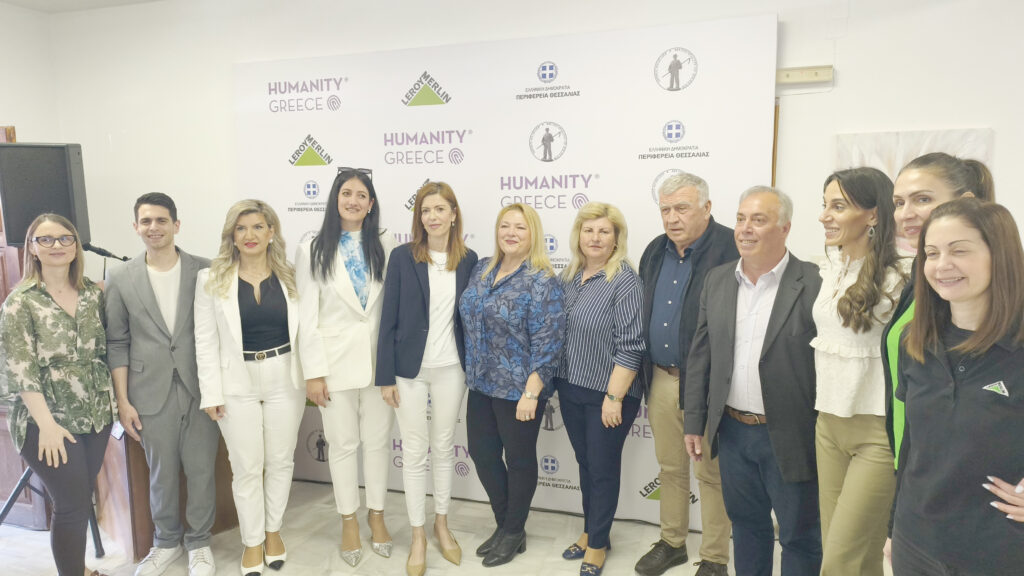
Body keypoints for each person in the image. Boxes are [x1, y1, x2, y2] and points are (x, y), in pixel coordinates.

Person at [684, 186, 823, 576]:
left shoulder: (815, 283)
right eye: (741, 218)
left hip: (790, 435)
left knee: (799, 535)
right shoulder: (717, 280)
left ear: (785, 228)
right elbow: (701, 356)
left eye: (758, 220)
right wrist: (694, 421)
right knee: (746, 528)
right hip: (732, 433)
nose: (745, 228)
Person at [888, 198, 1024, 575]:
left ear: (1001, 256)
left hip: (998, 550)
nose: (942, 264)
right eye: (932, 253)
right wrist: (892, 528)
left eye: (959, 250)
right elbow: (911, 446)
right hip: (916, 542)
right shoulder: (913, 341)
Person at [104, 192, 219, 576]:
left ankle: (199, 543)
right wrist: (123, 400)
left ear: (176, 225)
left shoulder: (205, 270)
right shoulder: (121, 277)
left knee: (201, 470)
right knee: (161, 474)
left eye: (161, 220)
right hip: (148, 391)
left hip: (200, 387)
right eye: (146, 221)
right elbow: (117, 341)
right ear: (136, 227)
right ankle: (166, 542)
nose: (154, 227)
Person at [193, 200, 305, 576]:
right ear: (232, 235)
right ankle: (252, 541)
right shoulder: (210, 279)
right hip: (235, 382)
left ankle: (273, 532)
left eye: (258, 227)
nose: (250, 235)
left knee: (281, 461)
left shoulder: (291, 276)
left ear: (271, 232)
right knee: (246, 467)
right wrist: (211, 392)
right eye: (241, 228)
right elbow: (205, 340)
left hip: (284, 376)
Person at [0, 214, 115, 576]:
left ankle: (80, 569)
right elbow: (21, 370)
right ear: (32, 248)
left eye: (65, 238)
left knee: (80, 498)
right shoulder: (20, 302)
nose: (57, 246)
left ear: (76, 246)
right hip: (45, 419)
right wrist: (47, 426)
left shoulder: (93, 294)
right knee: (70, 503)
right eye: (45, 240)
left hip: (95, 413)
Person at [375, 181, 478, 576]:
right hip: (409, 370)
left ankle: (441, 524)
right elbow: (388, 318)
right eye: (425, 210)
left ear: (453, 214)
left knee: (444, 446)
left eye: (439, 209)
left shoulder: (469, 260)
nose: (432, 217)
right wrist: (385, 376)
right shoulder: (403, 257)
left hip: (452, 368)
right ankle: (418, 533)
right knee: (415, 450)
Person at [295, 167, 395, 567]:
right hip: (333, 366)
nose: (353, 201)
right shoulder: (312, 248)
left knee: (378, 443)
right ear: (335, 199)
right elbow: (306, 315)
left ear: (371, 204)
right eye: (346, 193)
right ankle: (349, 520)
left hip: (380, 365)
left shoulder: (386, 244)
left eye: (361, 195)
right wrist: (313, 372)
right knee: (342, 446)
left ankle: (377, 515)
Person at [636, 172, 735, 576]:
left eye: (682, 208)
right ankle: (672, 542)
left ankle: (714, 558)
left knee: (711, 473)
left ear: (706, 208)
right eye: (665, 209)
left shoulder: (731, 247)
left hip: (709, 385)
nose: (672, 218)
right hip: (661, 377)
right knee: (671, 468)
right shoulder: (654, 250)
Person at [458, 203, 564, 568]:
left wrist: (532, 393)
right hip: (480, 384)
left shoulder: (541, 280)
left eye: (520, 227)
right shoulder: (481, 268)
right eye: (505, 225)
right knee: (483, 455)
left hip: (519, 389)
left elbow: (549, 343)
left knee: (518, 461)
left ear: (532, 233)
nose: (511, 233)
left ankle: (513, 529)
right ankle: (507, 526)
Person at [813, 169, 907, 575]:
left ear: (872, 215)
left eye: (838, 206)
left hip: (877, 432)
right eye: (825, 205)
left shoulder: (901, 278)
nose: (825, 216)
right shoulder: (827, 268)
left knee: (840, 562)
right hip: (827, 425)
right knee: (855, 557)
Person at [881, 153, 994, 484]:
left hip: (967, 483)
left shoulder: (981, 288)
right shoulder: (923, 275)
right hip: (915, 467)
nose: (906, 213)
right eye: (899, 202)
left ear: (966, 203)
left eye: (922, 199)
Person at [554, 202, 645, 576]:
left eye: (604, 231)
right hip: (571, 386)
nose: (595, 238)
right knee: (586, 464)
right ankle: (593, 532)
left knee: (603, 469)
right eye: (588, 230)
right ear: (578, 235)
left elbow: (632, 345)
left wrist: (614, 398)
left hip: (609, 393)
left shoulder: (624, 281)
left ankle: (596, 547)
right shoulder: (570, 276)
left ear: (616, 238)